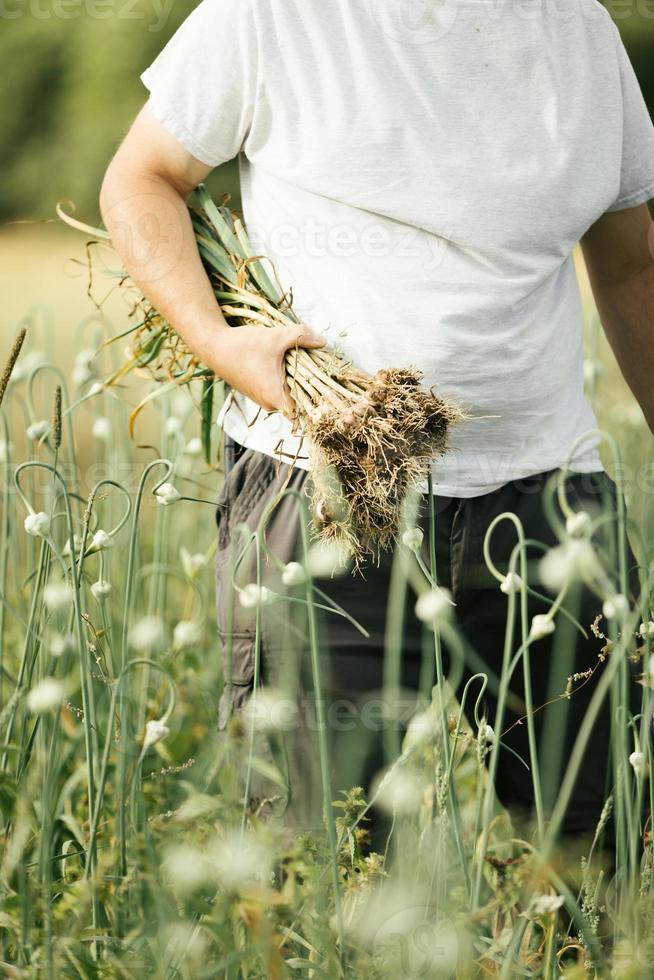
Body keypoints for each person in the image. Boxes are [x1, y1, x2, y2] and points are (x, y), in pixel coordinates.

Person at [100, 0, 654, 846]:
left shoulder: (581, 30)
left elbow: (629, 262)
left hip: (553, 501)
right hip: (325, 485)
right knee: (316, 859)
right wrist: (218, 341)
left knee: (603, 844)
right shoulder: (271, 14)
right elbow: (142, 179)